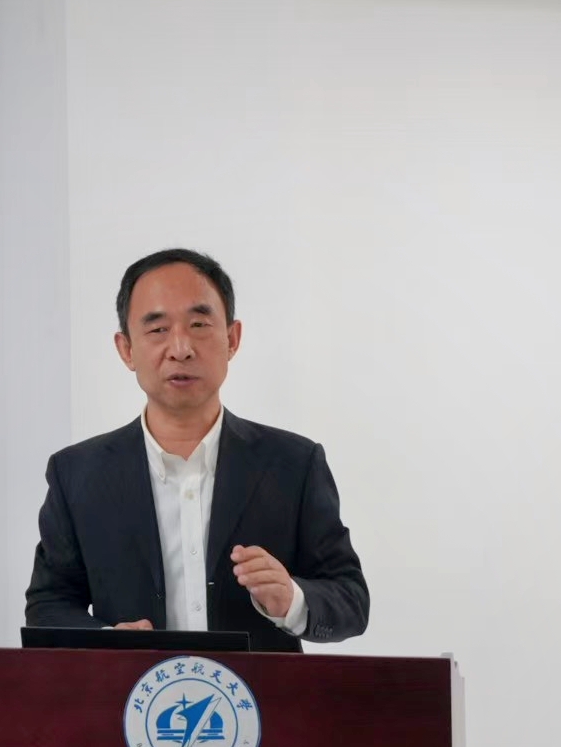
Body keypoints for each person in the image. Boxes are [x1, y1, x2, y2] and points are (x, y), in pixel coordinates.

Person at [24, 249, 368, 652]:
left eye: (199, 324)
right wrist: (109, 644)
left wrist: (292, 600)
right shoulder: (76, 474)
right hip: (131, 691)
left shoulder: (293, 463)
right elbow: (48, 605)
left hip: (261, 693)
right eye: (157, 329)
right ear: (126, 349)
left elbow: (351, 599)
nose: (181, 348)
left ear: (232, 339)